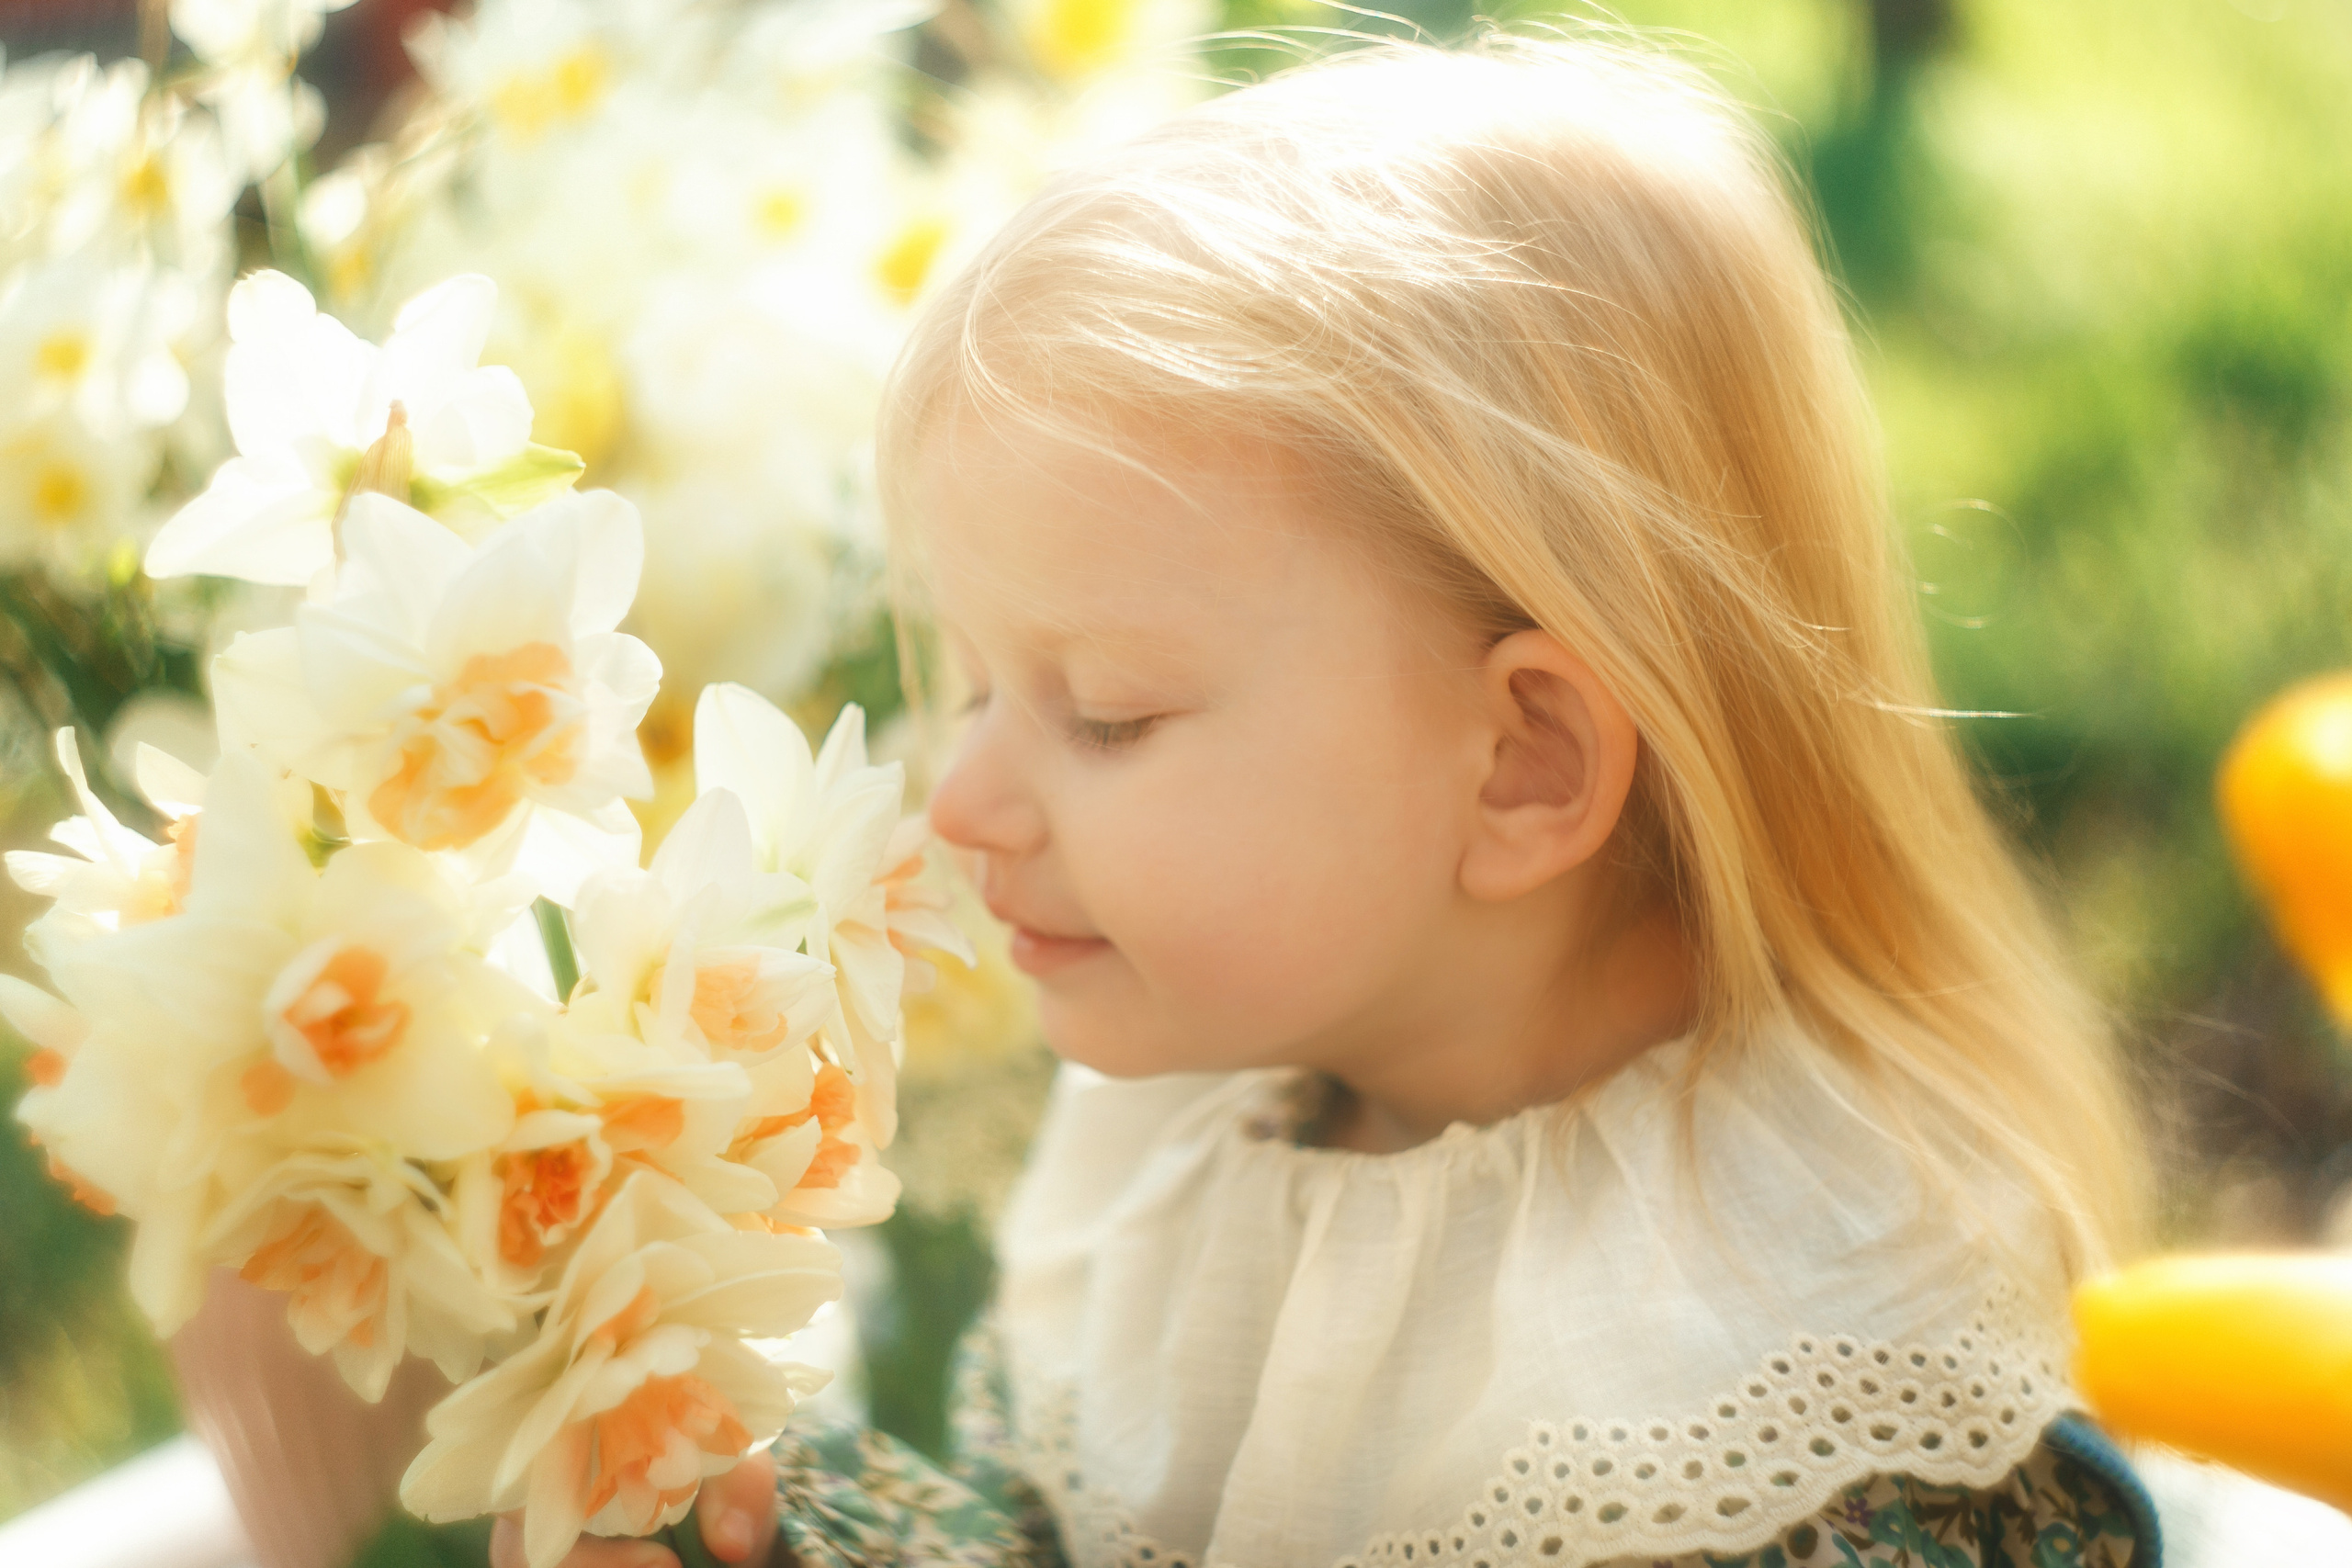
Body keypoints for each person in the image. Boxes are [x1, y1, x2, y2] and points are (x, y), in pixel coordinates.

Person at [514, 28, 2161, 1568]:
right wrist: (768, 1527)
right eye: (965, 683)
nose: (959, 800)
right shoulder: (1186, 1150)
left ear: (1526, 764)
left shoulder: (1810, 1362)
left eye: (1106, 714)